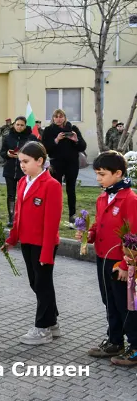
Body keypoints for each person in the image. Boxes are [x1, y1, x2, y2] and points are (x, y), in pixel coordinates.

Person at [76, 151, 137, 366]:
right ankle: (114, 341)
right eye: (97, 174)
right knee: (109, 301)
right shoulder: (103, 196)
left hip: (121, 262)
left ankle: (135, 347)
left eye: (102, 174)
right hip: (103, 257)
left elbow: (133, 235)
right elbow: (98, 223)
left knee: (125, 305)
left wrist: (124, 264)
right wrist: (89, 234)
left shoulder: (130, 199)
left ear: (118, 173)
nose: (98, 179)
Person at [4, 141, 62, 345]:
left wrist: (46, 252)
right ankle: (52, 322)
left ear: (40, 161)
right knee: (37, 283)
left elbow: (52, 222)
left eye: (26, 161)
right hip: (27, 242)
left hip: (43, 244)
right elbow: (18, 214)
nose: (22, 165)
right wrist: (12, 238)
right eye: (20, 161)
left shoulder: (52, 185)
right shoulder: (22, 182)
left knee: (42, 284)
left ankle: (42, 328)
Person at [41, 108, 86, 224]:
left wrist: (75, 140)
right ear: (53, 118)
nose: (59, 119)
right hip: (56, 163)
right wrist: (56, 139)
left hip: (72, 163)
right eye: (56, 117)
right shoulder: (48, 130)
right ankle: (54, 215)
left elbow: (82, 147)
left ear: (65, 118)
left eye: (61, 117)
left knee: (71, 189)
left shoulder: (73, 129)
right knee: (56, 189)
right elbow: (45, 148)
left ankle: (72, 216)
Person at [0, 116, 36, 227]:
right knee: (11, 195)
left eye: (22, 125)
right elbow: (2, 152)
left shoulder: (31, 137)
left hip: (25, 171)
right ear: (14, 125)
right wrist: (7, 154)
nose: (19, 127)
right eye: (17, 124)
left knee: (24, 195)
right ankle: (11, 218)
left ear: (25, 126)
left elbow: (37, 151)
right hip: (10, 169)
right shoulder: (8, 137)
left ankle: (23, 217)